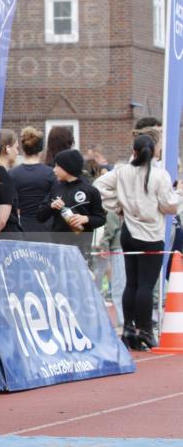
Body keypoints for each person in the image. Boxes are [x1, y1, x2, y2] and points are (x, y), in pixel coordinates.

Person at [96, 135, 183, 351]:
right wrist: (179, 192)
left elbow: (98, 185)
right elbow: (170, 206)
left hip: (128, 231)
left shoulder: (122, 171)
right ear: (154, 152)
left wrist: (118, 206)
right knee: (146, 285)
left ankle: (128, 328)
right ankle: (145, 330)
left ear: (133, 151)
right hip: (151, 234)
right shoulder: (160, 175)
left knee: (132, 283)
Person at [36, 149, 105, 258]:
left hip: (81, 249)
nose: (54, 170)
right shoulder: (56, 189)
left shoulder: (90, 190)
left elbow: (101, 219)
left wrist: (86, 219)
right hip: (58, 248)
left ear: (68, 167)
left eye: (57, 166)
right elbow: (40, 216)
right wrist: (51, 206)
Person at [10, 126, 54, 233]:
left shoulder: (12, 174)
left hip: (21, 228)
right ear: (41, 150)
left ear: (23, 149)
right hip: (46, 228)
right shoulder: (51, 173)